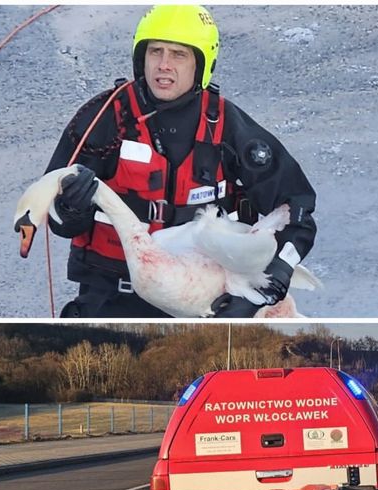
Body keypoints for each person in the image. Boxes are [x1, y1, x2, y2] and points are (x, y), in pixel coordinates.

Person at [44, 5, 317, 317]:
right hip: (111, 293)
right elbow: (57, 220)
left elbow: (297, 210)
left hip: (205, 298)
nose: (164, 65)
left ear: (201, 63)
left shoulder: (227, 127)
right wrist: (70, 207)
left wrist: (276, 274)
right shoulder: (104, 119)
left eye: (178, 54)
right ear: (140, 58)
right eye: (155, 51)